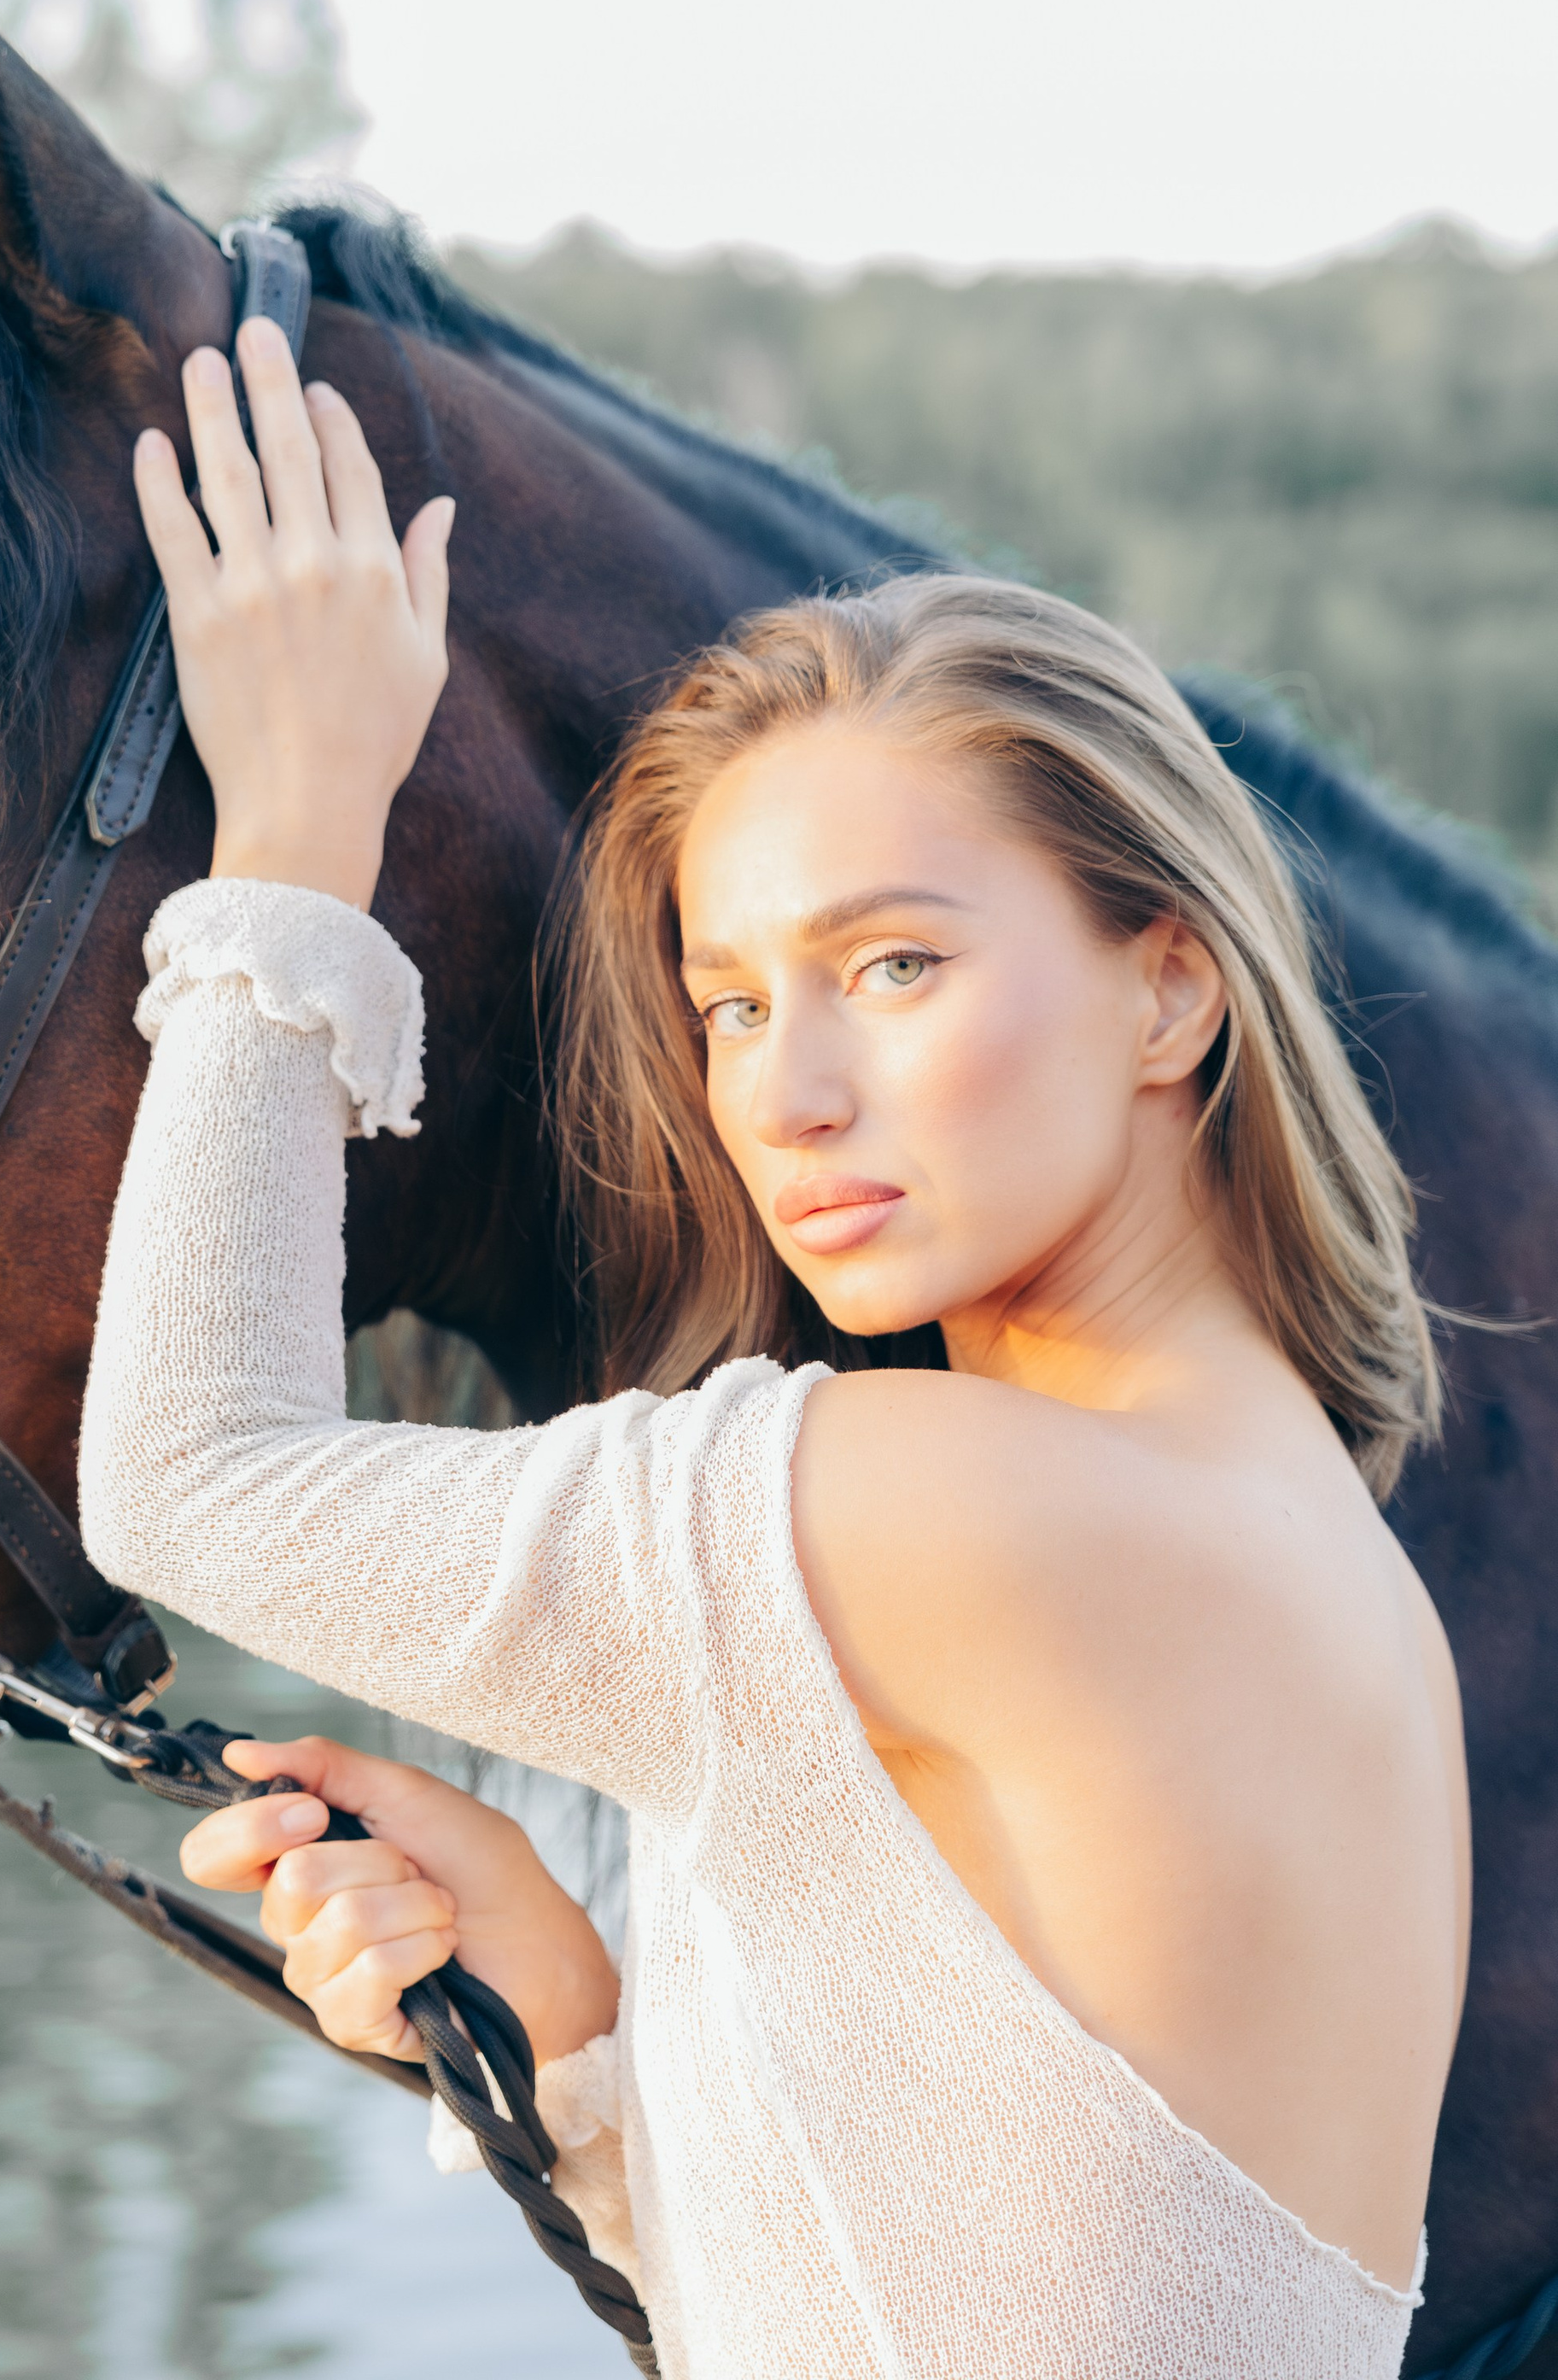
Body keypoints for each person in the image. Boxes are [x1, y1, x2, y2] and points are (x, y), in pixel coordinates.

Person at [78, 316, 1468, 2380]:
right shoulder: (1288, 1544)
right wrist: (577, 2035)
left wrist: (289, 836)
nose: (785, 1093)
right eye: (727, 1004)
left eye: (889, 964)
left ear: (1168, 992)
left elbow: (186, 1477)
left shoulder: (980, 1512)